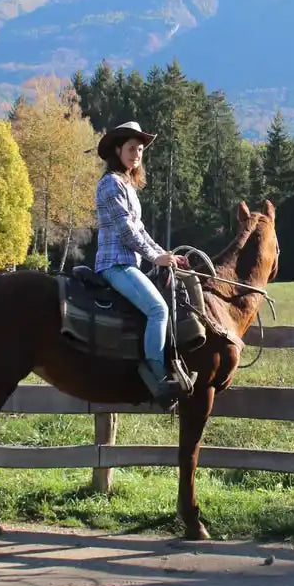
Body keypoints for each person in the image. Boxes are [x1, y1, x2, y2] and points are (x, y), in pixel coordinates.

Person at [94, 121, 196, 403]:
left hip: (129, 263)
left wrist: (166, 255)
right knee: (158, 309)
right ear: (117, 150)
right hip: (115, 264)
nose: (136, 154)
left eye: (139, 150)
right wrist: (155, 257)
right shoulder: (110, 184)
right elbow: (126, 231)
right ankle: (157, 377)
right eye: (130, 148)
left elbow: (140, 230)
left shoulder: (127, 185)